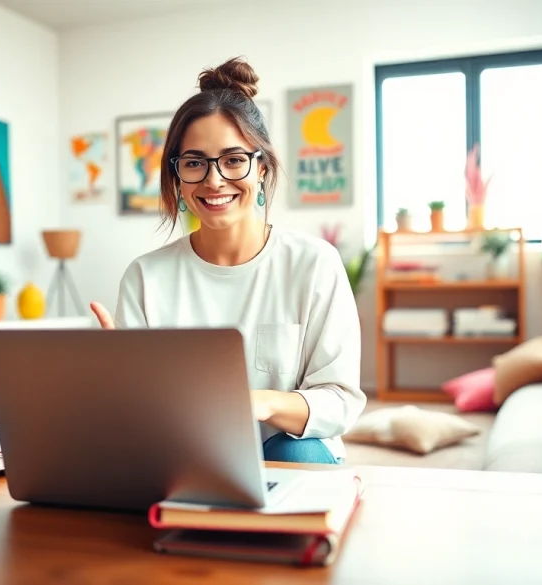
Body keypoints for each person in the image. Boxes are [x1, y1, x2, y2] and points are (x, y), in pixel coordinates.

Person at [89, 56, 365, 465]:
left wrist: (261, 403)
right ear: (178, 177)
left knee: (296, 452)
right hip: (184, 453)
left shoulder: (314, 264)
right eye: (195, 163)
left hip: (286, 451)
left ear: (261, 167)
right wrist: (120, 380)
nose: (214, 180)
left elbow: (340, 401)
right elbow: (138, 415)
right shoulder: (145, 277)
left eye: (233, 159)